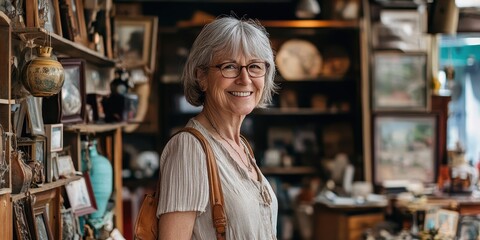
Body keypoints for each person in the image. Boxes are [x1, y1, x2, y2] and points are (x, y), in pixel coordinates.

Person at [156, 15, 279, 239]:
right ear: (201, 76)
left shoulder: (241, 145)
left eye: (254, 66)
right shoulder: (189, 149)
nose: (245, 79)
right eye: (229, 66)